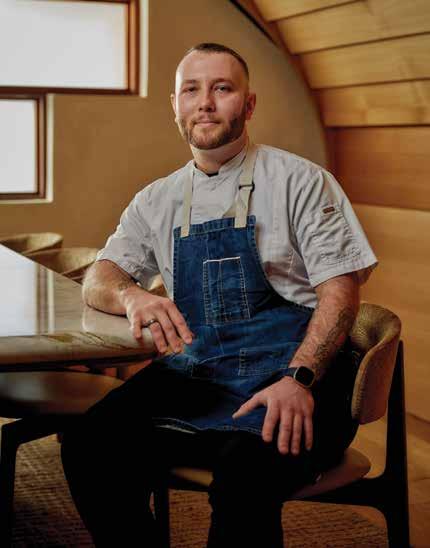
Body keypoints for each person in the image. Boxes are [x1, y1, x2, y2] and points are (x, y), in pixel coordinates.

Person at [61, 43, 377, 547]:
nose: (205, 102)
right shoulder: (156, 199)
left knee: (244, 477)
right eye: (191, 90)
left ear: (248, 106)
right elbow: (100, 277)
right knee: (89, 443)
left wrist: (299, 378)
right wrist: (132, 296)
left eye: (222, 88)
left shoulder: (301, 182)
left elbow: (341, 294)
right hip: (199, 371)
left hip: (295, 376)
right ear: (175, 105)